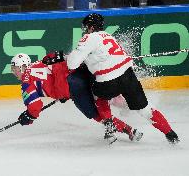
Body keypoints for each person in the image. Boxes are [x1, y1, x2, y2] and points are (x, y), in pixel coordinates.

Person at [66, 13, 180, 144]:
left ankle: (109, 127)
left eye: (86, 27)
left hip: (107, 80)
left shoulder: (89, 37)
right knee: (145, 109)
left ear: (91, 27)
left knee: (98, 95)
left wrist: (84, 61)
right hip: (128, 76)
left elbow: (71, 63)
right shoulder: (109, 37)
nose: (85, 30)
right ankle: (171, 134)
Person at [10, 52, 143, 144]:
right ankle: (126, 102)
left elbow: (35, 107)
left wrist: (27, 117)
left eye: (15, 68)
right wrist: (61, 94)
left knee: (95, 114)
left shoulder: (26, 82)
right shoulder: (39, 63)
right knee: (102, 91)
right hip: (78, 73)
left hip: (73, 86)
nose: (14, 72)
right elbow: (56, 60)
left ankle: (129, 130)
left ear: (23, 67)